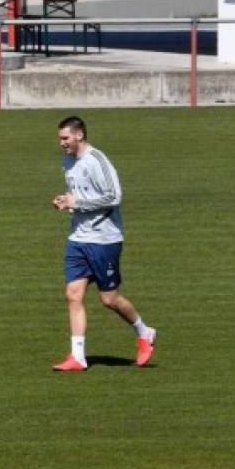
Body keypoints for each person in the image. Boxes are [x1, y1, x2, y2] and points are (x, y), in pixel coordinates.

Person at [51, 116, 156, 371]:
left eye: (65, 138)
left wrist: (78, 203)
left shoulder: (97, 161)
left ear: (79, 135)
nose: (61, 143)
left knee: (109, 300)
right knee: (72, 294)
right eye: (60, 138)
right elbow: (81, 193)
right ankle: (78, 356)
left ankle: (145, 333)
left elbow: (113, 196)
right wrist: (67, 200)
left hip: (104, 240)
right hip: (78, 238)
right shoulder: (68, 161)